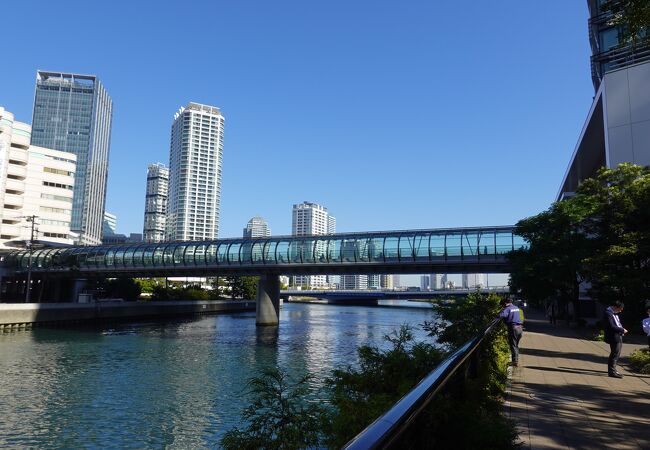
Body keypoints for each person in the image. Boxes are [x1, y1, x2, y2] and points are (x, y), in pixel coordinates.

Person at [603, 300, 628, 378]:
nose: (621, 310)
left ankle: (614, 370)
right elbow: (611, 326)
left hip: (617, 336)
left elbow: (616, 323)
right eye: (620, 309)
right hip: (613, 336)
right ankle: (612, 372)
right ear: (615, 307)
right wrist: (622, 330)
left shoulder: (613, 313)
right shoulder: (608, 313)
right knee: (614, 354)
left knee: (616, 354)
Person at [498, 296, 524, 367]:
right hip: (520, 328)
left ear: (505, 303)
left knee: (513, 345)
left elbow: (501, 315)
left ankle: (514, 362)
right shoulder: (516, 307)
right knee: (516, 345)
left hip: (513, 328)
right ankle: (515, 360)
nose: (502, 306)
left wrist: (499, 313)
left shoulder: (507, 309)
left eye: (502, 305)